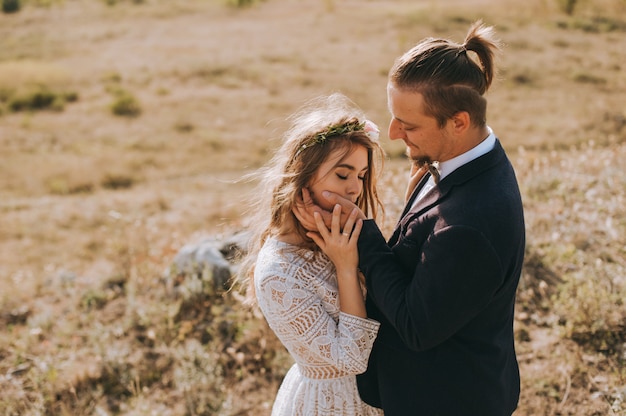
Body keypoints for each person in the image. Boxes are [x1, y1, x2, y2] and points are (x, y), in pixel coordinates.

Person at [301, 21, 525, 415]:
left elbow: (416, 327)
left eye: (408, 125)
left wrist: (363, 235)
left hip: (447, 399)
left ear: (459, 122)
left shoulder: (470, 225)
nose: (391, 133)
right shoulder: (464, 160)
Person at [239, 92, 386, 415]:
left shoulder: (337, 235)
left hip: (379, 395)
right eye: (343, 174)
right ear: (304, 175)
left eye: (361, 176)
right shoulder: (278, 273)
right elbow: (351, 359)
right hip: (332, 405)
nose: (354, 189)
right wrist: (346, 268)